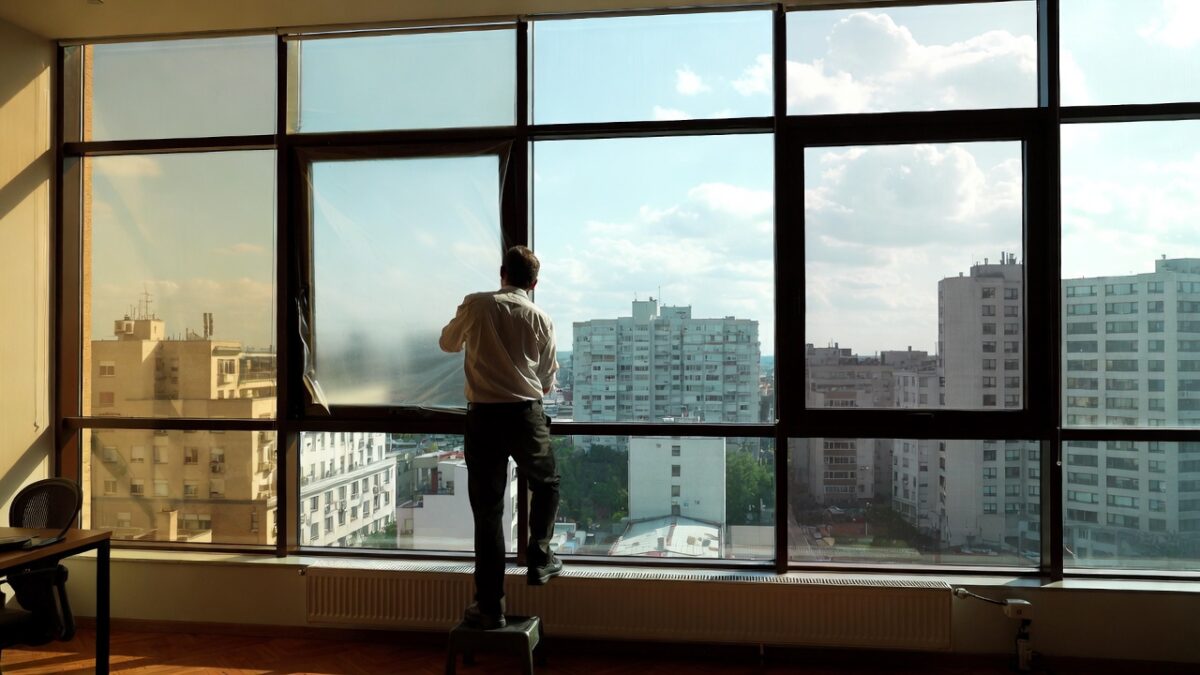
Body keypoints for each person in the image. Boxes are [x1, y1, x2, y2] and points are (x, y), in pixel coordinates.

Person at [439, 245, 563, 630]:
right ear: (534, 283)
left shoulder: (476, 306)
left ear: (501, 273)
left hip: (484, 419)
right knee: (546, 484)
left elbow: (447, 343)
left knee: (489, 512)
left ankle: (490, 606)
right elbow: (546, 382)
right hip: (526, 415)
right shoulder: (540, 317)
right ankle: (540, 556)